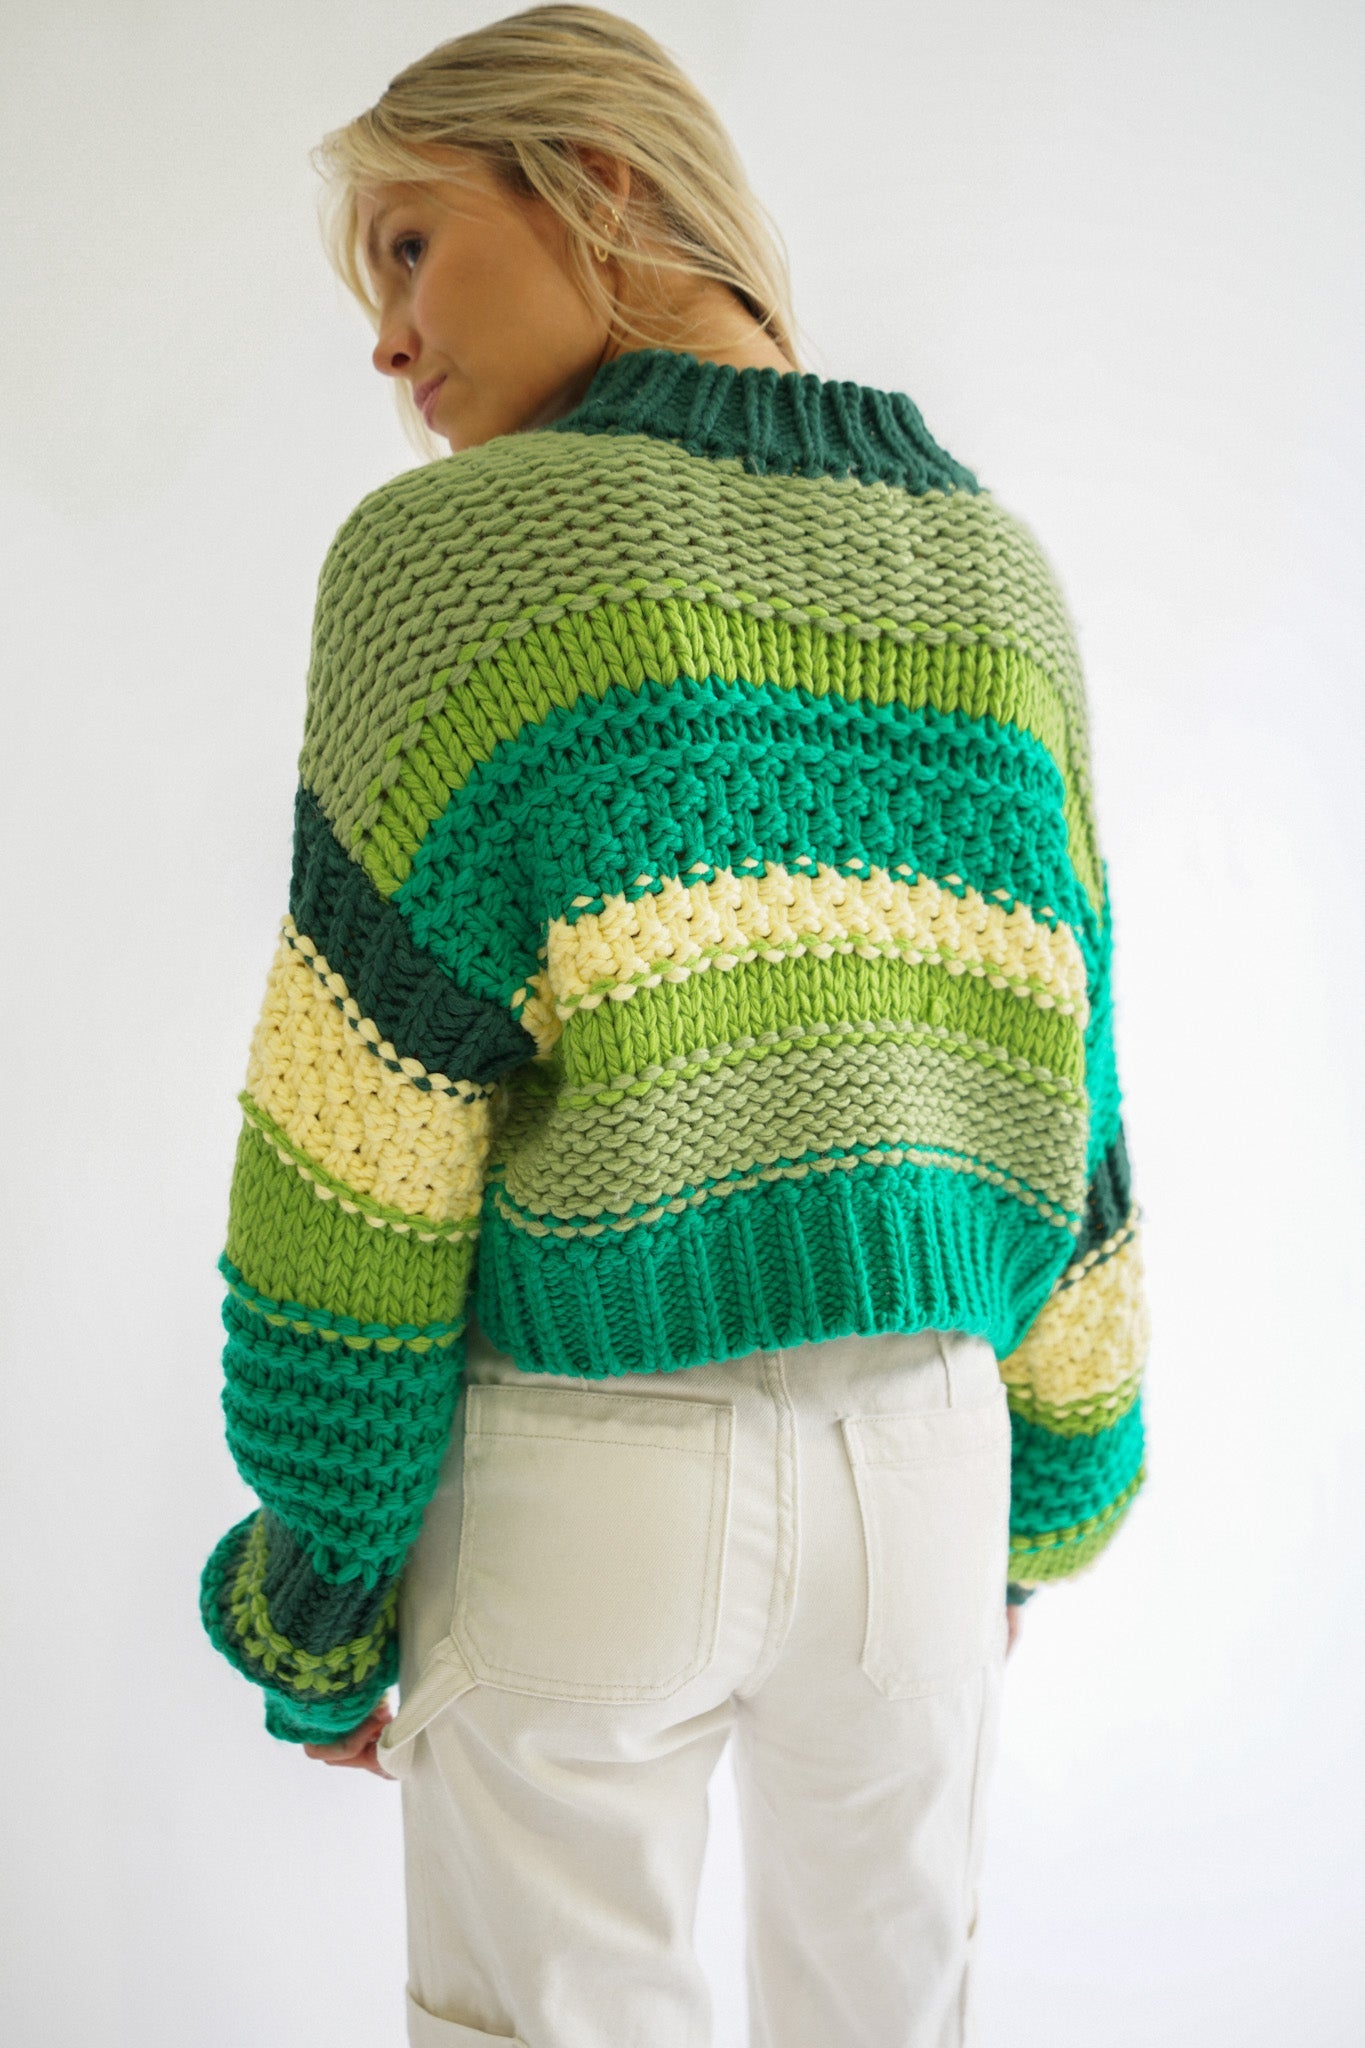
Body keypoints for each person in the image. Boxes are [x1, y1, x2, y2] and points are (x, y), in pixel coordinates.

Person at [198, 6, 1150, 2042]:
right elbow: (1067, 1084)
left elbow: (366, 1124)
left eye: (407, 248)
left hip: (585, 1467)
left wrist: (325, 1580)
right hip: (927, 1467)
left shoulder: (446, 561)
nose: (387, 339)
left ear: (597, 182)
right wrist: (1054, 1478)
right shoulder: (993, 572)